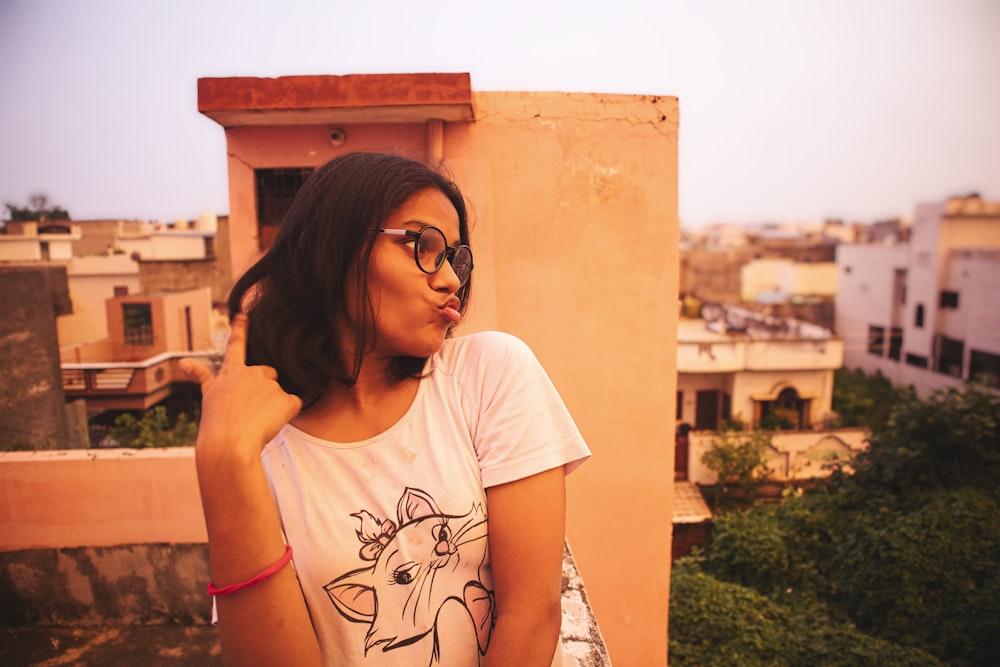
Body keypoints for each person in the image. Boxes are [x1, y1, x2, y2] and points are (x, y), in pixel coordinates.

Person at [181, 152, 590, 666]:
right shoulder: (266, 446)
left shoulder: (487, 375)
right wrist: (225, 462)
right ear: (334, 245)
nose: (450, 281)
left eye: (455, 260)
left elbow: (530, 615)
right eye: (424, 246)